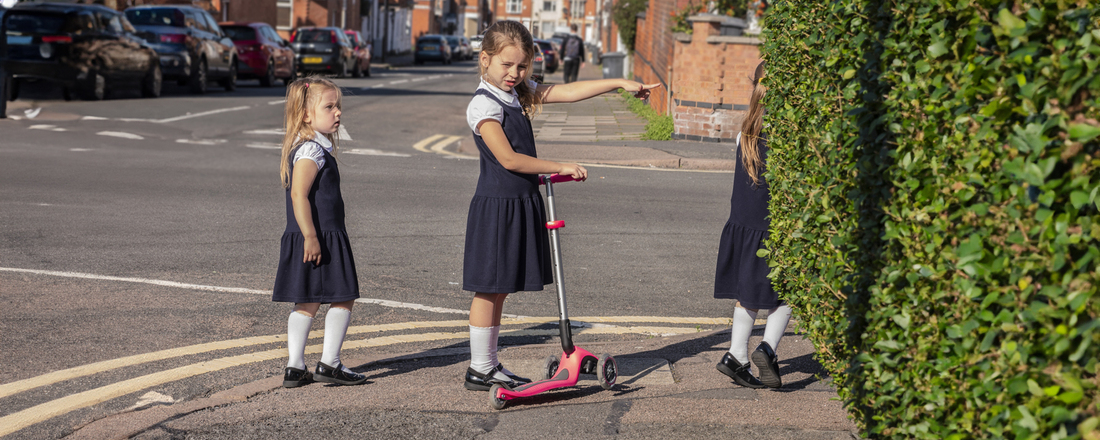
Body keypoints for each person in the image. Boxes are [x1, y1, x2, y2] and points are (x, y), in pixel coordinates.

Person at [462, 20, 659, 391]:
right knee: (487, 288)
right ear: (485, 59)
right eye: (506, 65)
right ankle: (479, 368)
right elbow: (509, 160)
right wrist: (560, 166)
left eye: (522, 66)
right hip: (496, 206)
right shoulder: (483, 105)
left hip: (519, 202)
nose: (514, 73)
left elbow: (567, 92)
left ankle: (489, 365)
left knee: (500, 288)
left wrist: (619, 83)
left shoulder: (516, 93)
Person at [273, 76, 369, 389]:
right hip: (319, 236)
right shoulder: (311, 151)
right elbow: (298, 195)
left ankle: (296, 367)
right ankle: (329, 363)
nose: (338, 112)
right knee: (342, 298)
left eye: (338, 105)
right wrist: (311, 237)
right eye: (329, 106)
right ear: (306, 114)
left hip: (317, 235)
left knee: (307, 301)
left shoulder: (314, 146)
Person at [713, 61, 792, 389]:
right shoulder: (788, 139)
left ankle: (735, 354)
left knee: (747, 296)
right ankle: (768, 348)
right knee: (789, 292)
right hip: (771, 231)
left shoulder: (743, 134)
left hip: (742, 229)